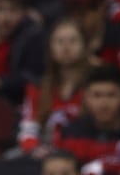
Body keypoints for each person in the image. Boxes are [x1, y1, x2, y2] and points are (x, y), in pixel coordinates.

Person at [17, 15, 89, 153]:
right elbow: (28, 130)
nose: (66, 47)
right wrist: (34, 149)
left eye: (73, 41)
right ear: (50, 48)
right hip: (46, 155)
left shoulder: (96, 83)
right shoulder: (38, 86)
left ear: (84, 45)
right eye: (59, 41)